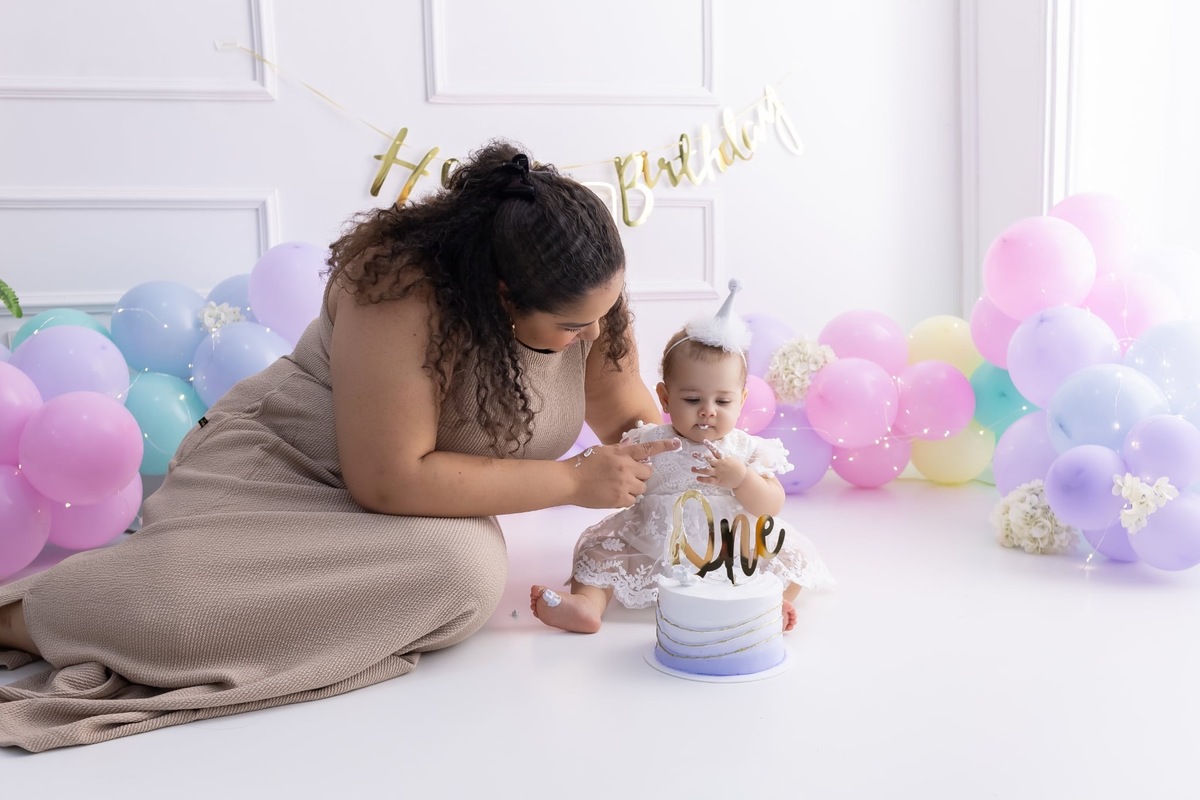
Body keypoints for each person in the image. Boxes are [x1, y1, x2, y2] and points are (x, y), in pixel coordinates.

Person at [0, 140, 681, 752]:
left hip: (393, 509)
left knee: (463, 570)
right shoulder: (398, 290)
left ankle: (197, 601)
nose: (594, 337)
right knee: (464, 568)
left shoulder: (587, 302)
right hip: (280, 474)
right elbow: (389, 481)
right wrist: (571, 482)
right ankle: (32, 616)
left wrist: (694, 476)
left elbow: (627, 416)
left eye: (604, 316)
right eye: (573, 326)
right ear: (502, 295)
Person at [530, 281, 834, 634]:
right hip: (656, 542)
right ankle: (587, 604)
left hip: (732, 545)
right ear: (665, 397)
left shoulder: (745, 448)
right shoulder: (648, 440)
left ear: (742, 399)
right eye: (692, 400)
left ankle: (767, 604)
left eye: (722, 402)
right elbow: (622, 479)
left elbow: (772, 503)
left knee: (790, 554)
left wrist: (742, 479)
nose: (707, 411)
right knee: (596, 551)